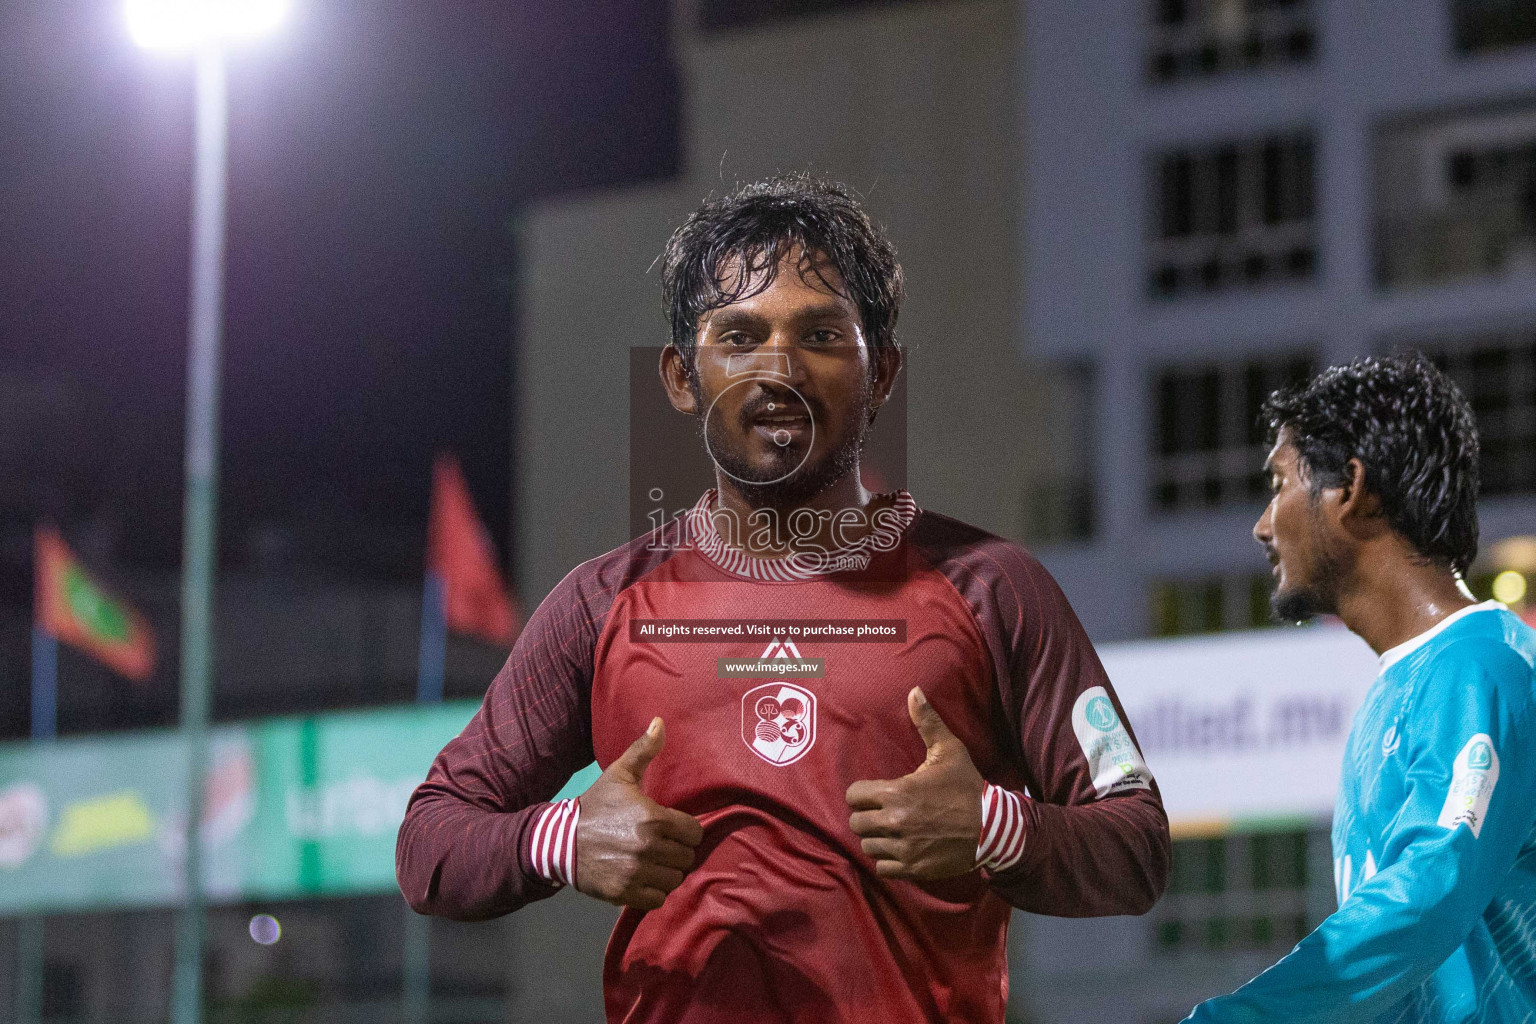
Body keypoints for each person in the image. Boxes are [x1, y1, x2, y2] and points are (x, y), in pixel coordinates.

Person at [396, 173, 1170, 1024]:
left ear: (883, 376)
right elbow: (431, 840)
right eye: (738, 334)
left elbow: (1135, 846)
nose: (779, 367)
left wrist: (996, 828)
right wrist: (561, 839)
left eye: (822, 333)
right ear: (682, 377)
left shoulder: (993, 587)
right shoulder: (602, 603)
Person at [1184, 354, 1536, 1023]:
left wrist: (1240, 1017)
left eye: (1280, 483)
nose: (1263, 524)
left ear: (1351, 488)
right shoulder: (1403, 685)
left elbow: (1428, 892)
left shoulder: (1482, 667)